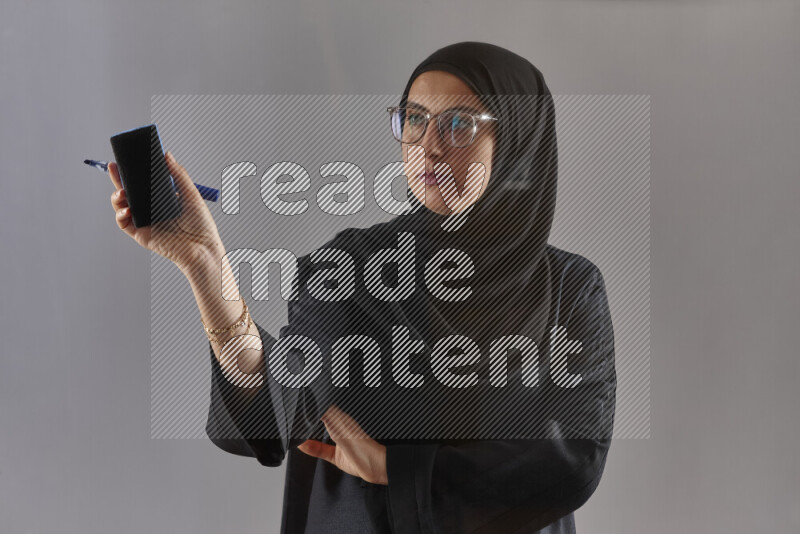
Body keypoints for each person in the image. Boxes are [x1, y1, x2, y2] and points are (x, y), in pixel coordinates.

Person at [108, 41, 616, 533]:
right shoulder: (350, 267)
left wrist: (396, 468)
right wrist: (206, 266)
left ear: (518, 144)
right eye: (415, 119)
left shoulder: (570, 289)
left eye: (460, 124)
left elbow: (572, 461)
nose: (429, 145)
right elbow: (279, 408)